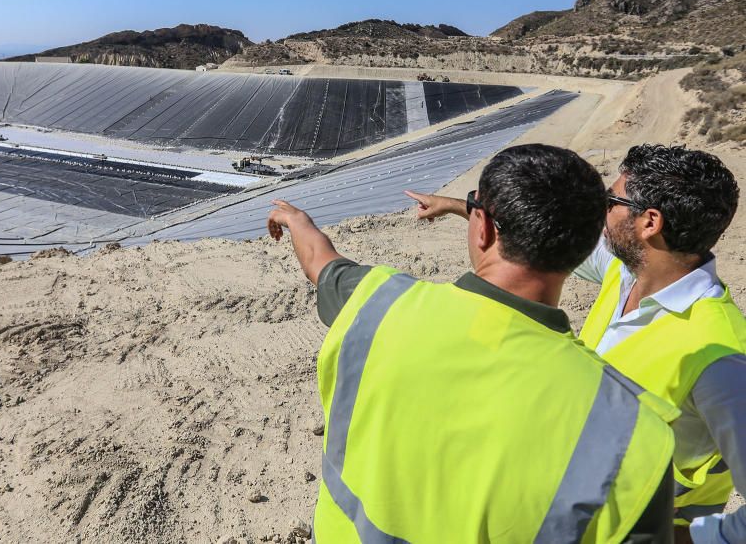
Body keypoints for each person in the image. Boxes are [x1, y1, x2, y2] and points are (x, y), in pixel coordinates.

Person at [268, 144, 678, 543]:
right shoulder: (635, 433)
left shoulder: (376, 301)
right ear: (587, 246)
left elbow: (321, 263)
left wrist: (299, 222)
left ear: (482, 227)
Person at [408, 144, 746, 544]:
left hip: (642, 523)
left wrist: (688, 538)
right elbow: (540, 242)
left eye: (611, 201)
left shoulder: (720, 358)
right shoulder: (626, 271)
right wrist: (462, 208)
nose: (600, 212)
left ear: (650, 222)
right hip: (579, 505)